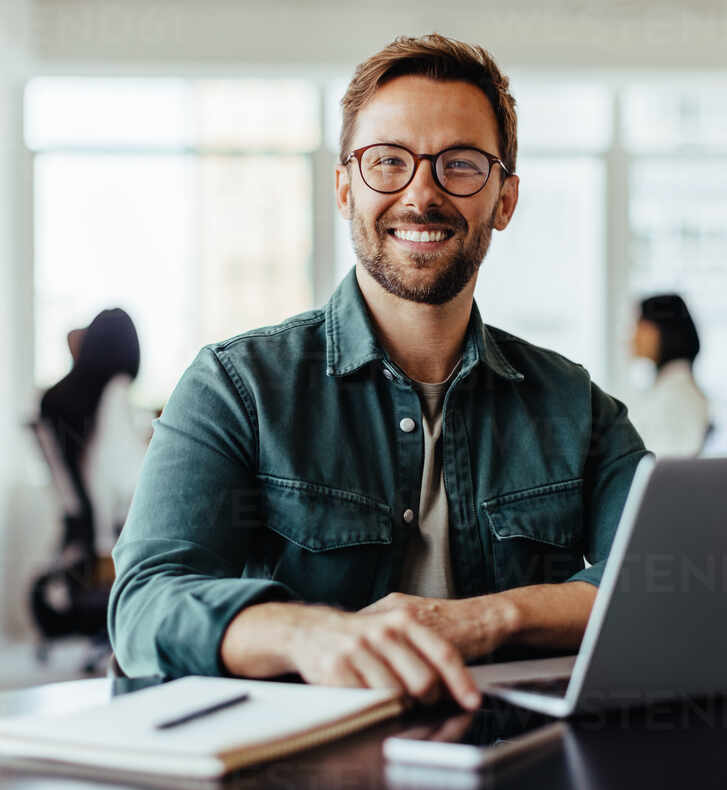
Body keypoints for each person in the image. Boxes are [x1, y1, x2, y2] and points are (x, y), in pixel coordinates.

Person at [108, 35, 647, 710]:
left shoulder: (578, 408)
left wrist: (486, 618)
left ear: (504, 199)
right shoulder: (237, 387)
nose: (421, 194)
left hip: (516, 763)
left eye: (460, 165)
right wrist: (307, 633)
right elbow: (145, 605)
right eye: (388, 161)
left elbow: (660, 581)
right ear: (344, 188)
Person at [40, 308, 148, 555]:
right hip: (112, 541)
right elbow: (122, 478)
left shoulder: (58, 400)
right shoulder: (115, 392)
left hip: (79, 540)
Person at [627, 294, 709, 457]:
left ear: (660, 331)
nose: (632, 337)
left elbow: (661, 466)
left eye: (639, 326)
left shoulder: (678, 395)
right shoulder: (669, 388)